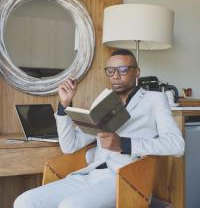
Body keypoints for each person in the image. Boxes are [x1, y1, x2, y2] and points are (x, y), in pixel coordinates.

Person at [14, 49, 185, 208]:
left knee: (71, 205)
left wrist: (125, 144)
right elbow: (69, 146)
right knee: (25, 201)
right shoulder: (103, 101)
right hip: (91, 174)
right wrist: (63, 105)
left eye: (123, 70)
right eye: (110, 71)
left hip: (124, 178)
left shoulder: (154, 99)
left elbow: (177, 145)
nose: (116, 76)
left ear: (137, 72)